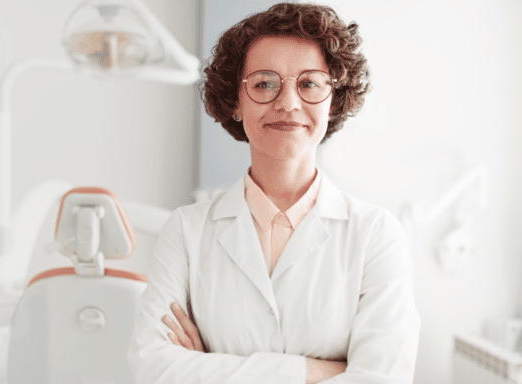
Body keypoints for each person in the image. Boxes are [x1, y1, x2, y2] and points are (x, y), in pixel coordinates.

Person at [127, 3, 421, 384]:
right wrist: (315, 371)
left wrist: (207, 367)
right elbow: (151, 368)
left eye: (309, 83)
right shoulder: (186, 231)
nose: (288, 103)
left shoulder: (376, 235)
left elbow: (383, 380)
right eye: (264, 83)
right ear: (236, 102)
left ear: (333, 100)